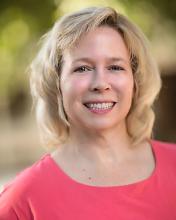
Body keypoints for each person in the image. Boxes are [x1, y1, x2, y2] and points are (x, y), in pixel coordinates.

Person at [0, 6, 176, 220]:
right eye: (82, 68)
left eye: (115, 67)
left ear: (135, 82)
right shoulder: (23, 200)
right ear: (56, 85)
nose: (100, 84)